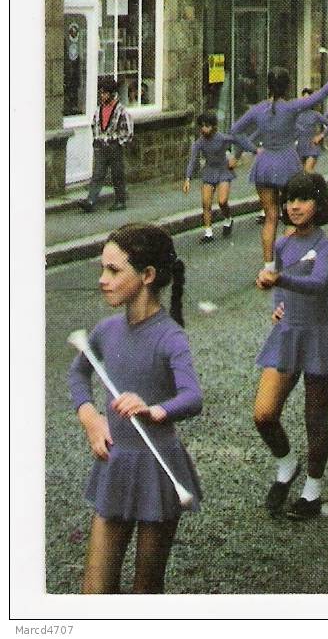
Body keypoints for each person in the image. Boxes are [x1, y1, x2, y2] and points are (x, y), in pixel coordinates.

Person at [68, 224, 202, 593]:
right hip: (116, 464)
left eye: (113, 270)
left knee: (146, 591)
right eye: (102, 269)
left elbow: (192, 396)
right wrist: (90, 417)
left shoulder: (170, 335)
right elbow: (78, 374)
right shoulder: (106, 331)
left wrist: (155, 409)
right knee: (94, 593)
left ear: (146, 276)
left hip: (158, 467)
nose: (102, 279)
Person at [254, 172, 328, 520]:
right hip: (288, 334)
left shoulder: (327, 247)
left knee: (315, 418)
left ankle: (312, 491)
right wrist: (277, 304)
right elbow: (281, 287)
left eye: (303, 200)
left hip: (318, 335)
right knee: (264, 414)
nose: (294, 207)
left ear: (319, 204)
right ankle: (286, 464)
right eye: (289, 201)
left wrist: (280, 279)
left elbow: (318, 283)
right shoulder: (282, 244)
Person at [231, 60, 328, 267]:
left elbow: (235, 131)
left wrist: (254, 149)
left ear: (268, 86)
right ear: (287, 86)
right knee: (291, 217)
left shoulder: (258, 109)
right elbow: (321, 95)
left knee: (270, 217)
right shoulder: (291, 107)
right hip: (287, 163)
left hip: (264, 164)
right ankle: (288, 261)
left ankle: (268, 265)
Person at [183, 111, 255, 243]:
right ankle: (208, 232)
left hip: (223, 170)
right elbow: (192, 160)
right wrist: (187, 178)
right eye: (202, 126)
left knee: (222, 201)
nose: (204, 129)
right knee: (206, 203)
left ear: (214, 126)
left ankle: (228, 218)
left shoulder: (221, 138)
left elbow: (240, 141)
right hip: (209, 171)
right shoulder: (199, 143)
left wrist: (237, 157)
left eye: (207, 126)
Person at [80, 77, 134, 213]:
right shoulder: (99, 110)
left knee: (117, 174)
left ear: (112, 94)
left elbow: (128, 131)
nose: (102, 96)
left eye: (104, 93)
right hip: (101, 147)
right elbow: (95, 126)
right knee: (97, 174)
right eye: (101, 93)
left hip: (115, 147)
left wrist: (117, 141)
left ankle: (120, 201)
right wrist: (97, 140)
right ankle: (91, 201)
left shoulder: (121, 110)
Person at [291, 94, 328, 176]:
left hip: (312, 146)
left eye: (308, 99)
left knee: (308, 171)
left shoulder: (315, 114)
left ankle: (319, 184)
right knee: (300, 174)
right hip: (299, 147)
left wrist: (321, 136)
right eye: (303, 98)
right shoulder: (296, 114)